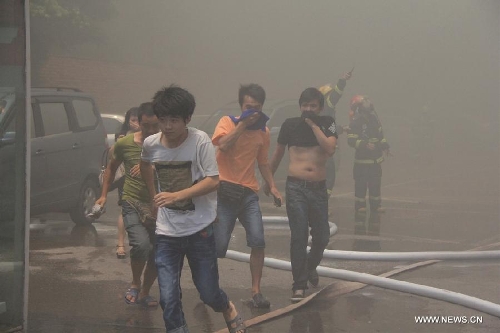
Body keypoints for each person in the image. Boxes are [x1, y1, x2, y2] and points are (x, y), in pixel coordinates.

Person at [140, 85, 246, 333]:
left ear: (187, 119)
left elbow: (213, 181)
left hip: (200, 229)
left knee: (208, 292)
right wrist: (153, 195)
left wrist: (176, 195)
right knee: (168, 297)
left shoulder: (200, 142)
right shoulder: (151, 143)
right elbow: (145, 165)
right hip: (167, 232)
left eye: (174, 120)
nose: (167, 126)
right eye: (163, 119)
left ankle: (227, 306)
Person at [212, 83, 282, 309]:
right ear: (241, 105)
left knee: (258, 240)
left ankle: (256, 292)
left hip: (248, 193)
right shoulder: (227, 122)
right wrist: (242, 125)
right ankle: (210, 287)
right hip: (224, 190)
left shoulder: (264, 132)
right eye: (248, 106)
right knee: (219, 246)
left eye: (257, 107)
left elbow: (263, 162)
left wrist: (272, 186)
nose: (253, 111)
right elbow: (222, 145)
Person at [267, 87, 337, 303]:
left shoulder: (327, 123)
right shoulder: (290, 125)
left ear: (320, 107)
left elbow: (330, 149)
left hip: (318, 188)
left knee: (322, 236)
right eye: (305, 106)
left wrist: (314, 125)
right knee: (298, 236)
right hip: (296, 187)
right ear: (300, 106)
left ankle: (308, 267)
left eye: (313, 106)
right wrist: (268, 182)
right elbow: (277, 154)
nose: (308, 109)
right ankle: (299, 285)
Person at [95, 102, 160, 307]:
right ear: (138, 122)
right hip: (132, 201)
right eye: (146, 125)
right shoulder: (125, 144)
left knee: (158, 252)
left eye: (155, 126)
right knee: (141, 245)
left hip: (159, 205)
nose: (150, 130)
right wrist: (103, 195)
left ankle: (146, 291)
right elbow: (111, 169)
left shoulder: (165, 144)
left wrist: (149, 166)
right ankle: (135, 282)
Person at [346, 96, 389, 213]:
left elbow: (380, 135)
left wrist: (386, 147)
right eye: (364, 103)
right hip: (362, 162)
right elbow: (351, 141)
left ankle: (376, 205)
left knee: (375, 184)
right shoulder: (356, 122)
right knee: (361, 185)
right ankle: (360, 206)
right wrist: (365, 144)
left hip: (375, 160)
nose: (368, 104)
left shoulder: (374, 119)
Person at [318, 71, 352, 192]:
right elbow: (336, 95)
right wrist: (342, 81)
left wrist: (341, 128)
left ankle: (320, 205)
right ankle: (323, 205)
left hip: (320, 149)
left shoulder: (321, 112)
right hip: (325, 149)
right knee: (329, 175)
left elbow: (329, 127)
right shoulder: (327, 106)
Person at [114, 107, 140, 259]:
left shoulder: (149, 136)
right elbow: (113, 157)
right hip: (125, 177)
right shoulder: (122, 136)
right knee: (125, 209)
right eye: (132, 119)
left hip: (144, 178)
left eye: (137, 120)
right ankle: (120, 244)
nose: (134, 123)